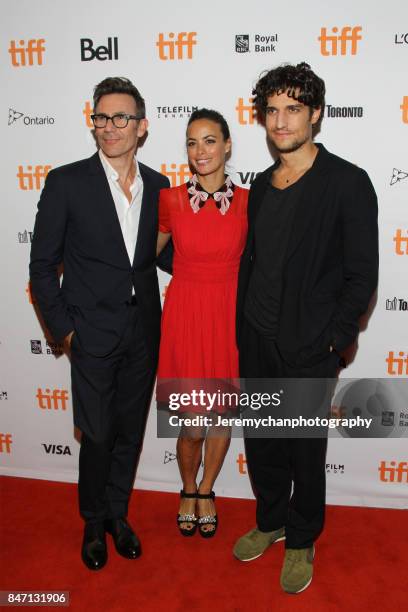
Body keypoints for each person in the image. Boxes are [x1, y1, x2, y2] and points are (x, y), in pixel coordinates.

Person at [233, 63, 378, 593]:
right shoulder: (261, 184)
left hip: (310, 343)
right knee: (264, 442)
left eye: (293, 108)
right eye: (272, 110)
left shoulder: (347, 181)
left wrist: (336, 340)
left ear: (315, 114)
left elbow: (362, 272)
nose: (281, 120)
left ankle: (300, 538)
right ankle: (270, 521)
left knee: (303, 447)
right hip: (256, 336)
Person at [30, 77, 170, 570]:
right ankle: (92, 521)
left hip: (143, 333)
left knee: (130, 431)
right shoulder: (66, 182)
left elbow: (167, 254)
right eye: (102, 117)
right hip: (90, 334)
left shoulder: (159, 186)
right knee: (98, 432)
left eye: (122, 118)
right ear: (93, 123)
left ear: (142, 126)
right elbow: (42, 268)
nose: (111, 127)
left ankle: (117, 514)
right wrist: (66, 332)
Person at [156, 109, 248, 537]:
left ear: (227, 145)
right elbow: (139, 259)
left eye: (210, 140)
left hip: (229, 314)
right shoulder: (171, 200)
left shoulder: (250, 201)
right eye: (192, 142)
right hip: (187, 315)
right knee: (193, 422)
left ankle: (207, 490)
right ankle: (187, 487)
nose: (200, 150)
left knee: (221, 417)